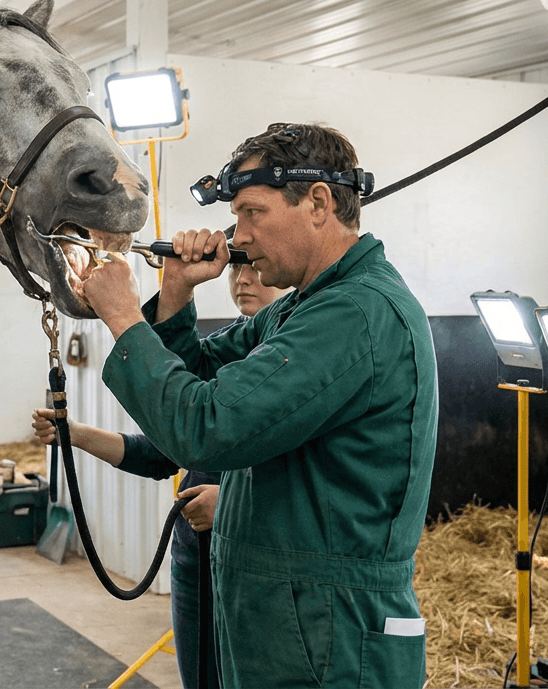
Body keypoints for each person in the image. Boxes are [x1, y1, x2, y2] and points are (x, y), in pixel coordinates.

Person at [74, 123, 438, 688]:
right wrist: (175, 294)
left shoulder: (355, 315)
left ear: (317, 202)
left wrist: (123, 316)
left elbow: (205, 428)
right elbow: (195, 380)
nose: (236, 238)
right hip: (286, 615)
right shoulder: (297, 309)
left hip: (330, 630)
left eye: (251, 213)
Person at [32, 262, 288, 689]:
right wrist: (74, 434)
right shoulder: (222, 351)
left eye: (256, 268)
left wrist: (229, 504)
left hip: (256, 569)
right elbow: (162, 453)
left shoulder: (297, 363)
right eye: (236, 269)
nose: (243, 279)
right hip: (194, 558)